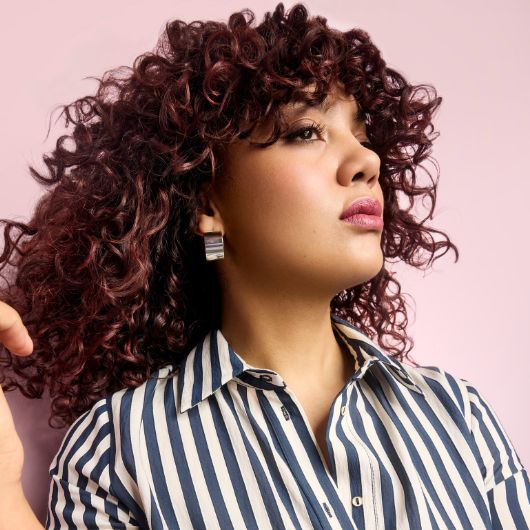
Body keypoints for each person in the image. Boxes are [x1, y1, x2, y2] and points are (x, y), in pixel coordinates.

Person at [0, 2, 529, 529]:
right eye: (305, 132)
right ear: (207, 205)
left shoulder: (459, 416)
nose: (367, 162)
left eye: (363, 137)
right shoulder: (117, 453)